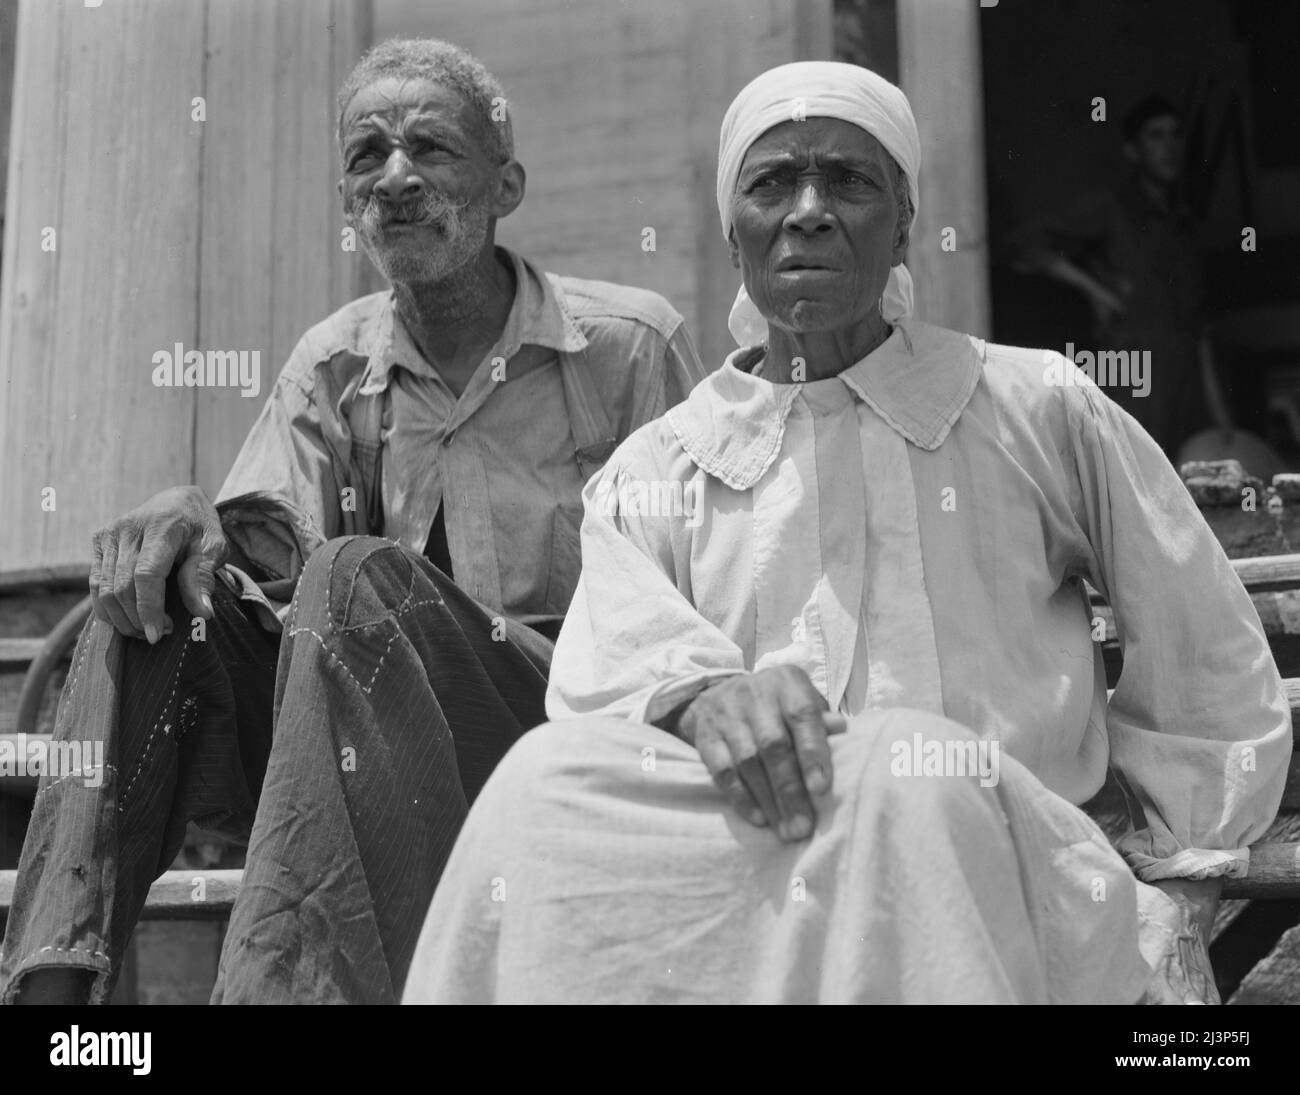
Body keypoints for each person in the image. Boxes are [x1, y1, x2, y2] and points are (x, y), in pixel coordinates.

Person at [402, 63, 1291, 1005]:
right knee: (538, 784)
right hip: (749, 855)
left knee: (906, 770)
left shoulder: (1037, 406)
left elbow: (1206, 651)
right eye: (773, 182)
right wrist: (698, 698)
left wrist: (1183, 887)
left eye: (850, 182)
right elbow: (606, 671)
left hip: (999, 849)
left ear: (905, 221)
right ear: (731, 224)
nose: (809, 211)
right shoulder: (659, 467)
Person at [0, 37, 706, 1005]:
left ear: (507, 184)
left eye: (431, 149)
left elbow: (705, 580)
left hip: (560, 727)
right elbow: (256, 563)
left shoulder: (627, 348)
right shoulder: (332, 365)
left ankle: (270, 996)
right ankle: (50, 1003)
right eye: (367, 156)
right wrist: (182, 516)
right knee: (155, 601)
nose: (397, 179)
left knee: (354, 572)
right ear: (344, 203)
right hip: (372, 744)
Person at [1007, 94, 1231, 459]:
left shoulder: (1185, 222)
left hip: (1186, 379)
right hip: (1133, 369)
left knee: (1193, 483)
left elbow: (1200, 324)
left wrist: (1220, 413)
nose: (1170, 146)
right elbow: (1026, 243)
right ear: (1132, 151)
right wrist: (1094, 290)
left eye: (1175, 134)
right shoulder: (1110, 208)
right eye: (1155, 136)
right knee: (1137, 476)